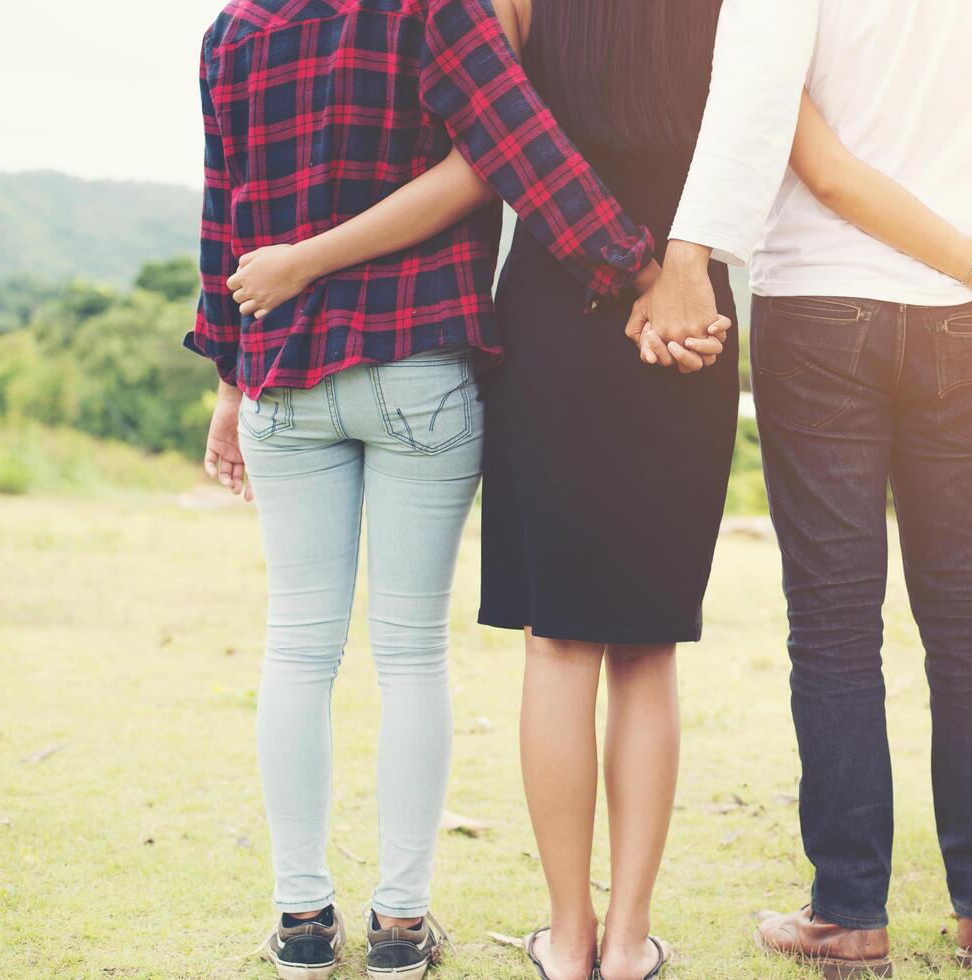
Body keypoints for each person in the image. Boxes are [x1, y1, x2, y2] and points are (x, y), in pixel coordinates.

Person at [186, 1, 680, 978]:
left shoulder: (234, 30)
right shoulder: (435, 10)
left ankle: (299, 919)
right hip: (417, 362)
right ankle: (401, 927)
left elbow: (223, 216)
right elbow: (523, 150)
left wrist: (229, 381)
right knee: (409, 652)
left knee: (297, 644)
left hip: (283, 371)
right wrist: (640, 268)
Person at [636, 0, 972, 973]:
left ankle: (848, 911)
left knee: (832, 621)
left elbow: (756, 100)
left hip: (818, 304)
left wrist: (690, 251)